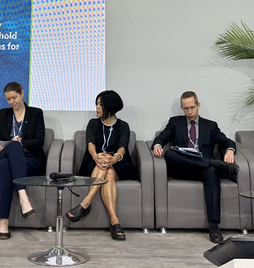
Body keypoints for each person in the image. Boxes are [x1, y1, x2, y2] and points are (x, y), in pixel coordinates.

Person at [152, 91, 239, 243]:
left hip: (203, 169)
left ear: (198, 105)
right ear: (182, 108)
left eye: (192, 107)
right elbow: (161, 138)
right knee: (169, 154)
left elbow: (228, 142)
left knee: (211, 172)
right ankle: (215, 164)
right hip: (182, 168)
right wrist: (157, 145)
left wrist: (230, 150)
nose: (190, 112)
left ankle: (213, 227)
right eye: (186, 108)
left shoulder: (210, 126)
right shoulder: (175, 122)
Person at [0, 82, 46, 240]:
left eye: (14, 97)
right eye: (8, 99)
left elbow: (39, 141)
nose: (11, 102)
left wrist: (21, 143)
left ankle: (3, 223)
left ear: (22, 94)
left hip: (29, 160)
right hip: (3, 154)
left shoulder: (36, 113)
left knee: (5, 166)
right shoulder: (3, 114)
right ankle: (23, 197)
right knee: (11, 149)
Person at [66, 90, 135, 241]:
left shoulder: (123, 126)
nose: (96, 108)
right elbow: (90, 143)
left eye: (100, 105)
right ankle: (114, 221)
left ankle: (85, 203)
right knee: (107, 171)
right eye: (96, 104)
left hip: (118, 162)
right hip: (94, 160)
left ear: (110, 107)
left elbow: (123, 146)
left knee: (109, 168)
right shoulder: (93, 123)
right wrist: (97, 156)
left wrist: (114, 159)